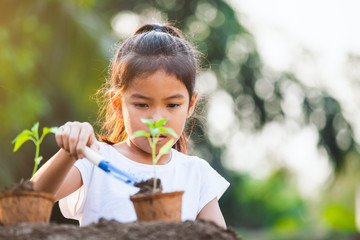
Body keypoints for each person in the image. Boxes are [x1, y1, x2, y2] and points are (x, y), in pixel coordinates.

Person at [31, 23, 230, 228]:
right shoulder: (96, 159)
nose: (155, 119)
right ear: (118, 104)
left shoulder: (196, 174)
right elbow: (30, 202)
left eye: (172, 105)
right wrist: (69, 152)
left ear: (190, 104)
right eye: (142, 104)